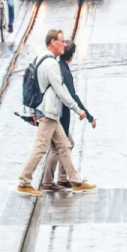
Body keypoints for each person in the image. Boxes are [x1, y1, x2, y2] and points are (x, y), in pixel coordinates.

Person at [16, 30, 93, 196]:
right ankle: (24, 182)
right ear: (53, 42)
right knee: (40, 147)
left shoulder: (41, 57)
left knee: (64, 145)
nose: (64, 44)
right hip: (48, 112)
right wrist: (77, 108)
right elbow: (61, 90)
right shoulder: (51, 64)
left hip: (48, 112)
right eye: (61, 41)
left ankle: (75, 181)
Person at [41, 41, 96, 191]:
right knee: (59, 146)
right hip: (59, 114)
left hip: (54, 112)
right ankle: (51, 180)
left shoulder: (58, 67)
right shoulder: (63, 71)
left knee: (64, 145)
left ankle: (61, 179)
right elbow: (72, 96)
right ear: (71, 56)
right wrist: (87, 115)